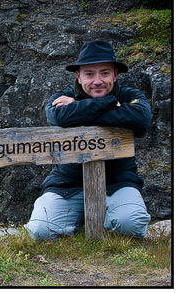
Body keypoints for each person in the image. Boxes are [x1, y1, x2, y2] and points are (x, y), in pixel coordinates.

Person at [24, 40, 152, 240]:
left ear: (115, 75)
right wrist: (111, 104)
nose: (98, 80)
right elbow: (58, 116)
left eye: (105, 73)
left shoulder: (131, 95)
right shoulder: (63, 96)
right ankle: (78, 222)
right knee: (41, 233)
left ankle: (102, 220)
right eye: (90, 74)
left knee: (131, 226)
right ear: (78, 76)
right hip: (67, 185)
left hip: (118, 183)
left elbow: (141, 117)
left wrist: (79, 108)